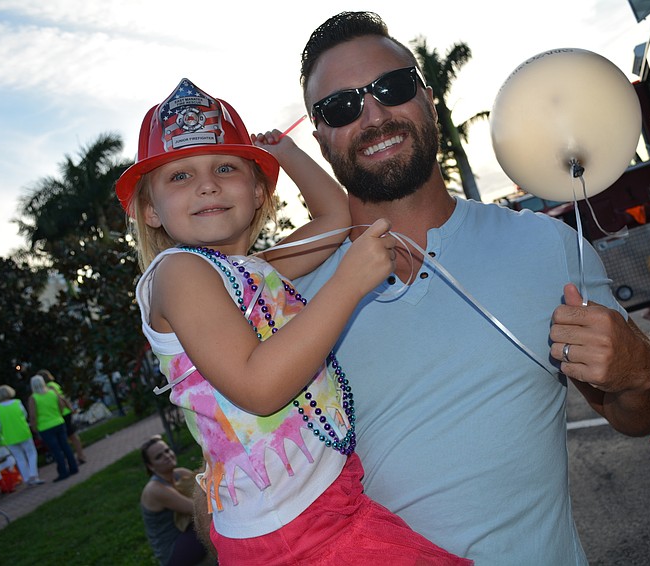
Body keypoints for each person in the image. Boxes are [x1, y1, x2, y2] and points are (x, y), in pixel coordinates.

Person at [294, 11, 650, 564]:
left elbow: (640, 415)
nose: (374, 116)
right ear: (321, 136)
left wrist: (640, 369)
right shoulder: (288, 296)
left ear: (428, 97)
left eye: (392, 88)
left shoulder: (545, 249)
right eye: (341, 107)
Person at [115, 77, 471, 565]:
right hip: (290, 532)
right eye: (180, 176)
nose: (207, 184)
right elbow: (258, 386)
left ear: (259, 192)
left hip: (325, 503)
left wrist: (285, 152)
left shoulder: (255, 270)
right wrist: (348, 284)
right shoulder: (179, 274)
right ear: (151, 210)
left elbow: (334, 218)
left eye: (225, 167)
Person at [140, 435, 209, 566]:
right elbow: (196, 508)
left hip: (187, 531)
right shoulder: (155, 490)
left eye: (167, 450)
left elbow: (205, 487)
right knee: (213, 524)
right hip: (172, 548)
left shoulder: (180, 473)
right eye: (159, 456)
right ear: (151, 466)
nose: (167, 456)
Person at [28, 374, 78, 482]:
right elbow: (61, 405)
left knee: (56, 450)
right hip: (58, 422)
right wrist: (58, 415)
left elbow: (33, 415)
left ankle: (63, 471)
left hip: (45, 426)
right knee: (65, 446)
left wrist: (34, 426)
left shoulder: (34, 398)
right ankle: (73, 467)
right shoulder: (52, 393)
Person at [0, 384, 45, 486]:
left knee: (19, 458)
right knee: (31, 453)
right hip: (23, 432)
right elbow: (24, 415)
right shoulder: (17, 402)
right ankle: (34, 474)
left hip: (9, 436)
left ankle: (26, 478)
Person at [39, 369, 88, 463]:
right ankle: (80, 454)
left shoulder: (49, 387)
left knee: (69, 436)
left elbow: (59, 399)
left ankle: (79, 455)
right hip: (66, 412)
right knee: (72, 435)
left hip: (62, 413)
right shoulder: (54, 384)